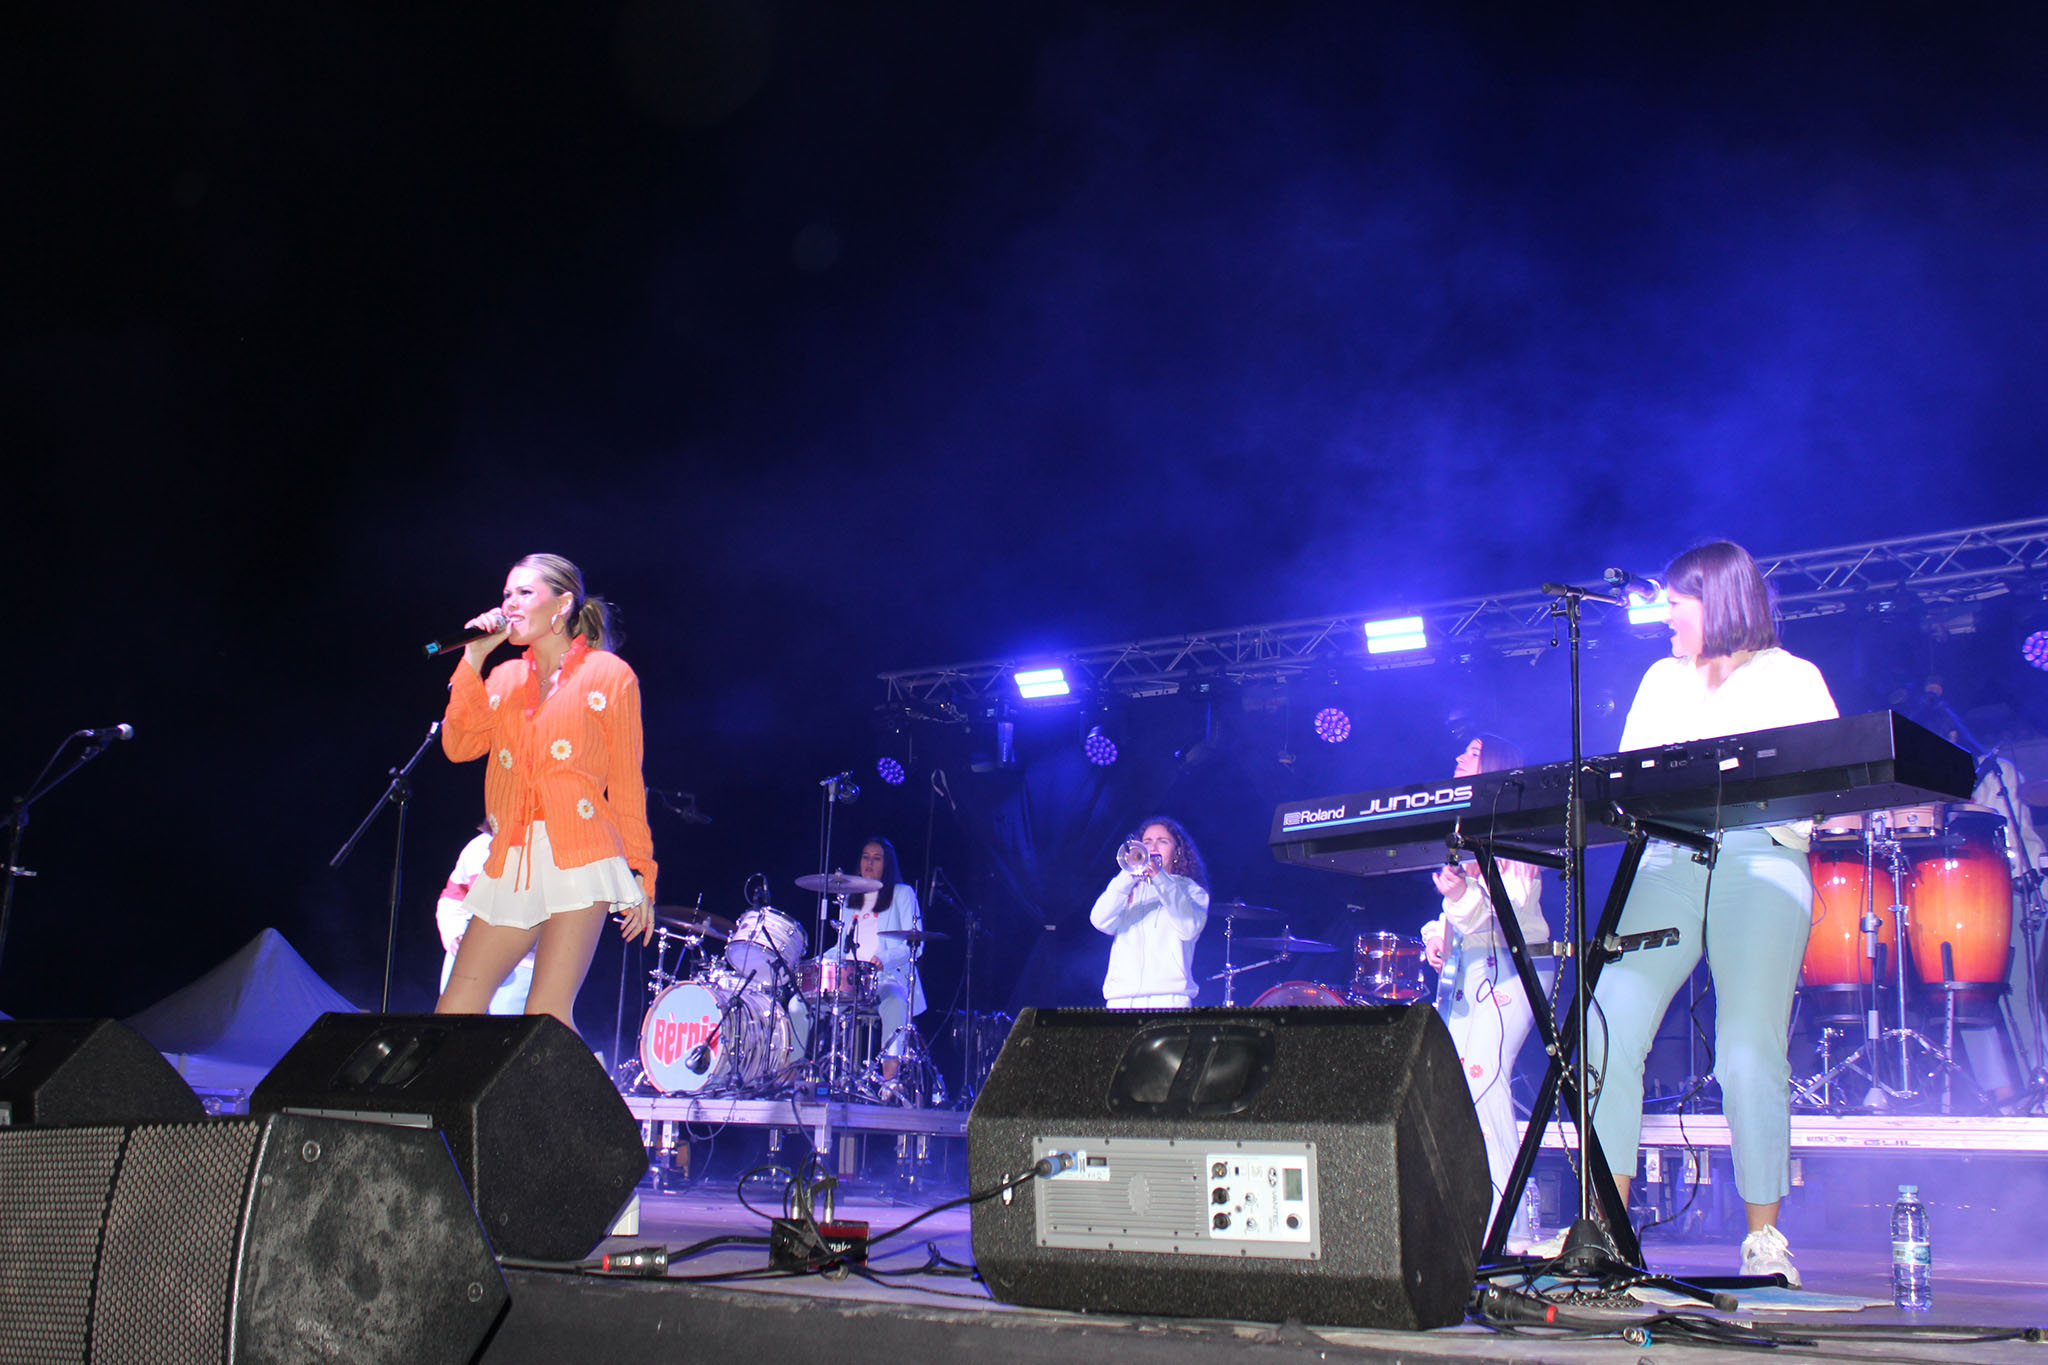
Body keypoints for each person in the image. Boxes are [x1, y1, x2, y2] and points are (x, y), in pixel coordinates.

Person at [1582, 541, 1838, 1285]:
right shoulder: (1660, 679)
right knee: (1602, 1028)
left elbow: (1829, 781)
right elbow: (1627, 782)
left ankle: (1765, 1239)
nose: (1665, 618)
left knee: (1747, 1045)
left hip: (1760, 854)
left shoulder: (1792, 677)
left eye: (1676, 604)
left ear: (1718, 600)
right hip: (1667, 858)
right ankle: (1606, 1232)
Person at [436, 553, 657, 1032]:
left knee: (546, 1015)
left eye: (523, 593)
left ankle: (572, 1086)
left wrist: (640, 871)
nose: (509, 604)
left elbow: (626, 781)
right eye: (505, 595)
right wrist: (473, 659)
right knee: (455, 1009)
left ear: (561, 604)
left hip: (582, 853)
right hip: (513, 856)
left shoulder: (609, 675)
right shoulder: (505, 677)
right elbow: (459, 746)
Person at [1418, 733, 1554, 1249]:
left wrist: (1462, 900)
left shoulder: (1514, 827)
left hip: (1514, 965)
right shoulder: (1461, 829)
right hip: (1470, 968)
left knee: (1483, 1077)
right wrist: (1437, 935)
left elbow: (1507, 910)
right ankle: (1482, 1213)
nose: (1458, 758)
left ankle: (1507, 1222)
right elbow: (1458, 911)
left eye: (1471, 753)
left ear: (1495, 764)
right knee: (1459, 1085)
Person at [1090, 817, 1211, 1008]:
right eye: (1147, 842)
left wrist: (1159, 876)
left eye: (1162, 841)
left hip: (1170, 1000)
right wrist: (1128, 875)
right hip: (1121, 999)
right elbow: (1099, 920)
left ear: (1177, 852)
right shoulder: (1128, 888)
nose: (1152, 848)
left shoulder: (1191, 891)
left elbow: (1188, 929)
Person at [828, 837, 929, 1049]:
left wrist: (885, 958)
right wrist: (819, 962)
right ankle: (793, 1065)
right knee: (799, 1004)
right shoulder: (850, 899)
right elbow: (841, 947)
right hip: (850, 981)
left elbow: (914, 944)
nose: (869, 863)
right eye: (865, 857)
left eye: (877, 858)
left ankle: (891, 1068)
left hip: (887, 977)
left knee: (894, 1004)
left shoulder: (902, 893)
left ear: (887, 864)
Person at [435, 823, 534, 1014]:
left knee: (507, 1026)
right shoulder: (477, 848)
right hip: (465, 956)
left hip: (519, 964)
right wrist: (454, 933)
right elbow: (453, 898)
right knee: (453, 1023)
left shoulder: (541, 848)